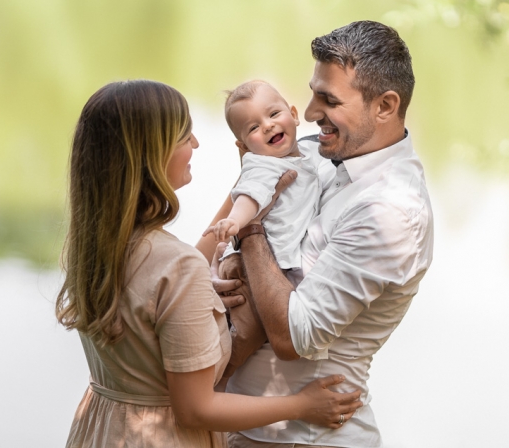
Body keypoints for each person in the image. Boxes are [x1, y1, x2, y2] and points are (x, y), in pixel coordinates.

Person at [55, 80, 363, 448]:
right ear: (151, 153)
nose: (196, 144)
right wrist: (301, 405)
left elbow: (184, 269)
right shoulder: (175, 266)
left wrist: (256, 178)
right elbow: (196, 409)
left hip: (102, 428)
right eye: (184, 136)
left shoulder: (101, 249)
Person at [215, 21, 435, 447]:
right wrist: (213, 275)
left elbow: (293, 337)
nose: (310, 113)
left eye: (329, 100)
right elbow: (222, 224)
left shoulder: (390, 211)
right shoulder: (316, 146)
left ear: (385, 106)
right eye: (314, 92)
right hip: (241, 428)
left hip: (309, 437)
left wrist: (253, 231)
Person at [203, 80, 328, 383]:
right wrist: (236, 221)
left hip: (271, 263)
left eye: (274, 114)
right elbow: (250, 197)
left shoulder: (311, 156)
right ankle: (210, 385)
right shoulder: (263, 167)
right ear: (244, 147)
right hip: (250, 269)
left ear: (294, 114)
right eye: (254, 127)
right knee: (245, 335)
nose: (269, 126)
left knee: (246, 332)